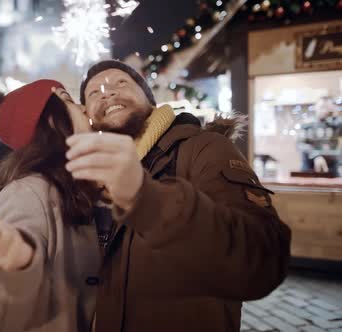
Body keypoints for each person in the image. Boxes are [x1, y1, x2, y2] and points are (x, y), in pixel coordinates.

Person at [64, 60, 291, 331]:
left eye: (120, 83)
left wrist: (145, 198)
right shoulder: (88, 176)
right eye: (94, 93)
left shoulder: (205, 148)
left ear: (149, 98)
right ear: (87, 112)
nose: (108, 92)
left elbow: (263, 261)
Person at [0, 80, 100, 332]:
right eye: (69, 101)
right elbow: (0, 320)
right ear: (51, 121)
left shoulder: (81, 183)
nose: (83, 108)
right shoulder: (26, 192)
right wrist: (16, 267)